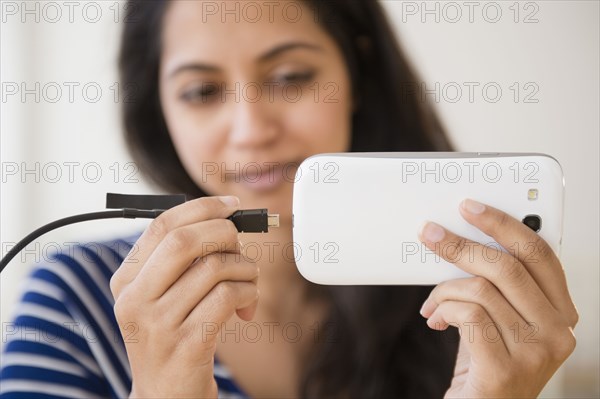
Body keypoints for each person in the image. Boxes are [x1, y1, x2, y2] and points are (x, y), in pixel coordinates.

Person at [0, 1, 579, 398]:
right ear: (160, 112)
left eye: (290, 76)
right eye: (202, 91)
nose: (251, 129)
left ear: (355, 74)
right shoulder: (74, 302)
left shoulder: (462, 305)